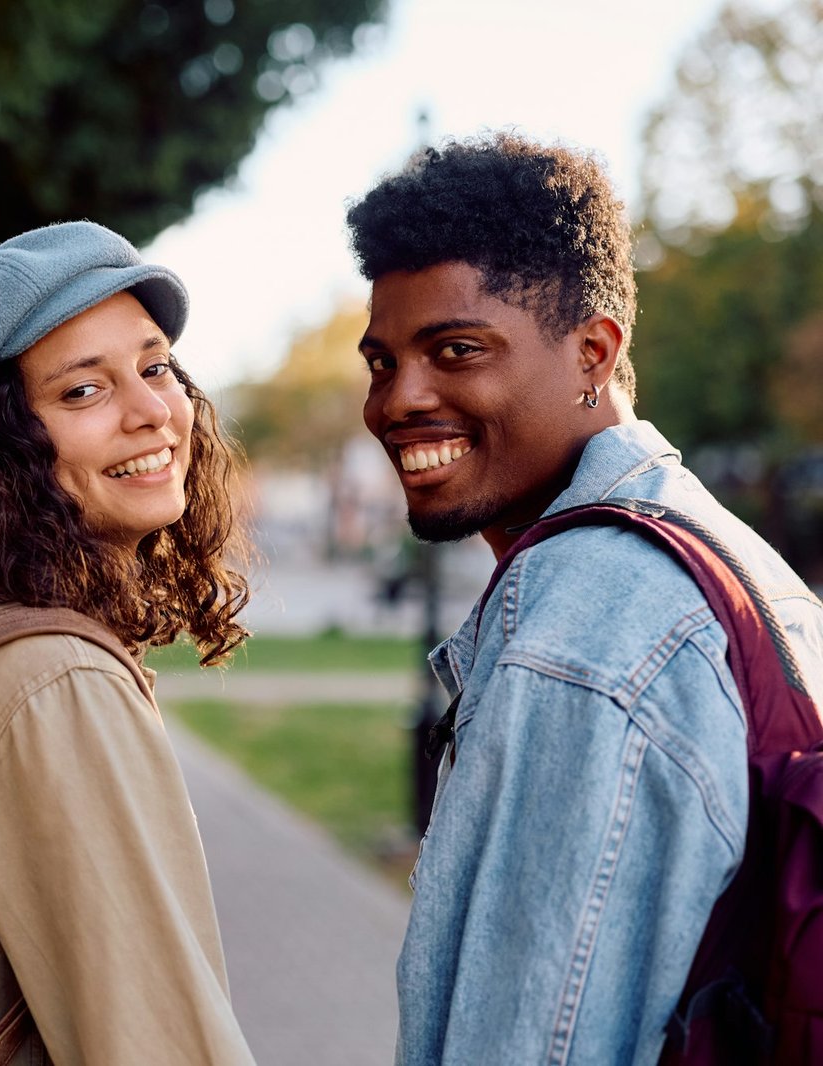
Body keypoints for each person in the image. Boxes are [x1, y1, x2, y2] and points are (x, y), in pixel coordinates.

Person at [345, 132, 823, 1063]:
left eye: (456, 349)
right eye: (381, 361)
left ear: (594, 352)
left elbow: (532, 1041)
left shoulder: (580, 622)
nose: (399, 399)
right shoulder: (724, 552)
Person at [0, 221, 257, 1065]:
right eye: (83, 392)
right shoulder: (50, 682)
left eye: (156, 368)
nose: (153, 411)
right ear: (7, 451)